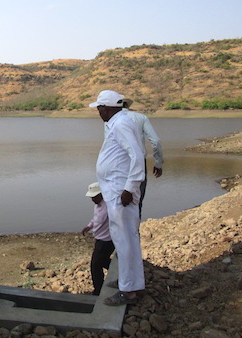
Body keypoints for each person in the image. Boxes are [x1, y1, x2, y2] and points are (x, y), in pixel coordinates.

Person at [90, 90, 145, 306]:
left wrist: (130, 188)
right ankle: (128, 282)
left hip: (121, 193)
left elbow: (137, 155)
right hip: (115, 191)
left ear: (108, 107)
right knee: (123, 241)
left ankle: (129, 290)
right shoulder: (116, 122)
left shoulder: (121, 124)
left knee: (126, 240)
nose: (98, 112)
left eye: (100, 108)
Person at [103, 98, 163, 218]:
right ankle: (134, 231)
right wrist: (158, 162)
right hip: (139, 164)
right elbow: (155, 141)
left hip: (117, 165)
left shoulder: (110, 121)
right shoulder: (141, 118)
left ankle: (117, 233)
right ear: (127, 106)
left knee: (116, 202)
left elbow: (108, 146)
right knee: (137, 202)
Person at [81, 182, 115, 296]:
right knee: (102, 261)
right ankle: (120, 272)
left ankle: (98, 291)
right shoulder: (98, 205)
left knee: (95, 265)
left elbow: (103, 222)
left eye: (94, 196)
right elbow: (95, 219)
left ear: (101, 194)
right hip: (100, 239)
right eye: (91, 197)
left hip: (106, 241)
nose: (92, 199)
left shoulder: (108, 206)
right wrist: (89, 226)